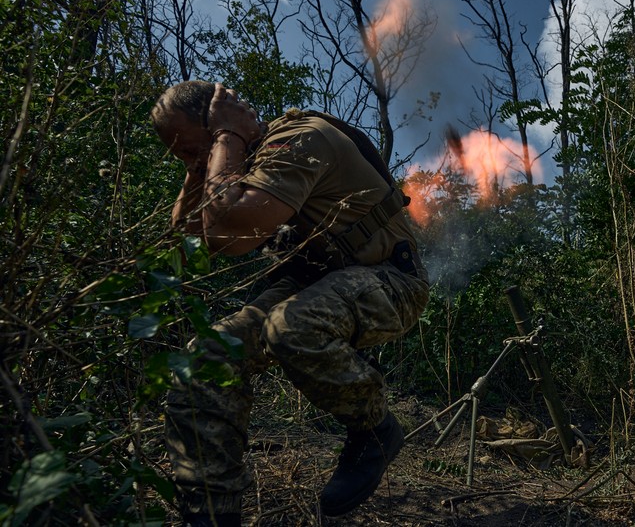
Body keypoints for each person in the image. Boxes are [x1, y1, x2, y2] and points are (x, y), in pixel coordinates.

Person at [150, 80, 429, 526]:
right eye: (179, 154)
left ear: (219, 124)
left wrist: (226, 139)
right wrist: (200, 165)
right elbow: (187, 237)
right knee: (206, 358)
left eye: (190, 148)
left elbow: (228, 230)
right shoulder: (243, 155)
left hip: (392, 283)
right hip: (311, 284)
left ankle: (375, 432)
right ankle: (210, 514)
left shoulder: (299, 140)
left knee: (291, 326)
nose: (190, 161)